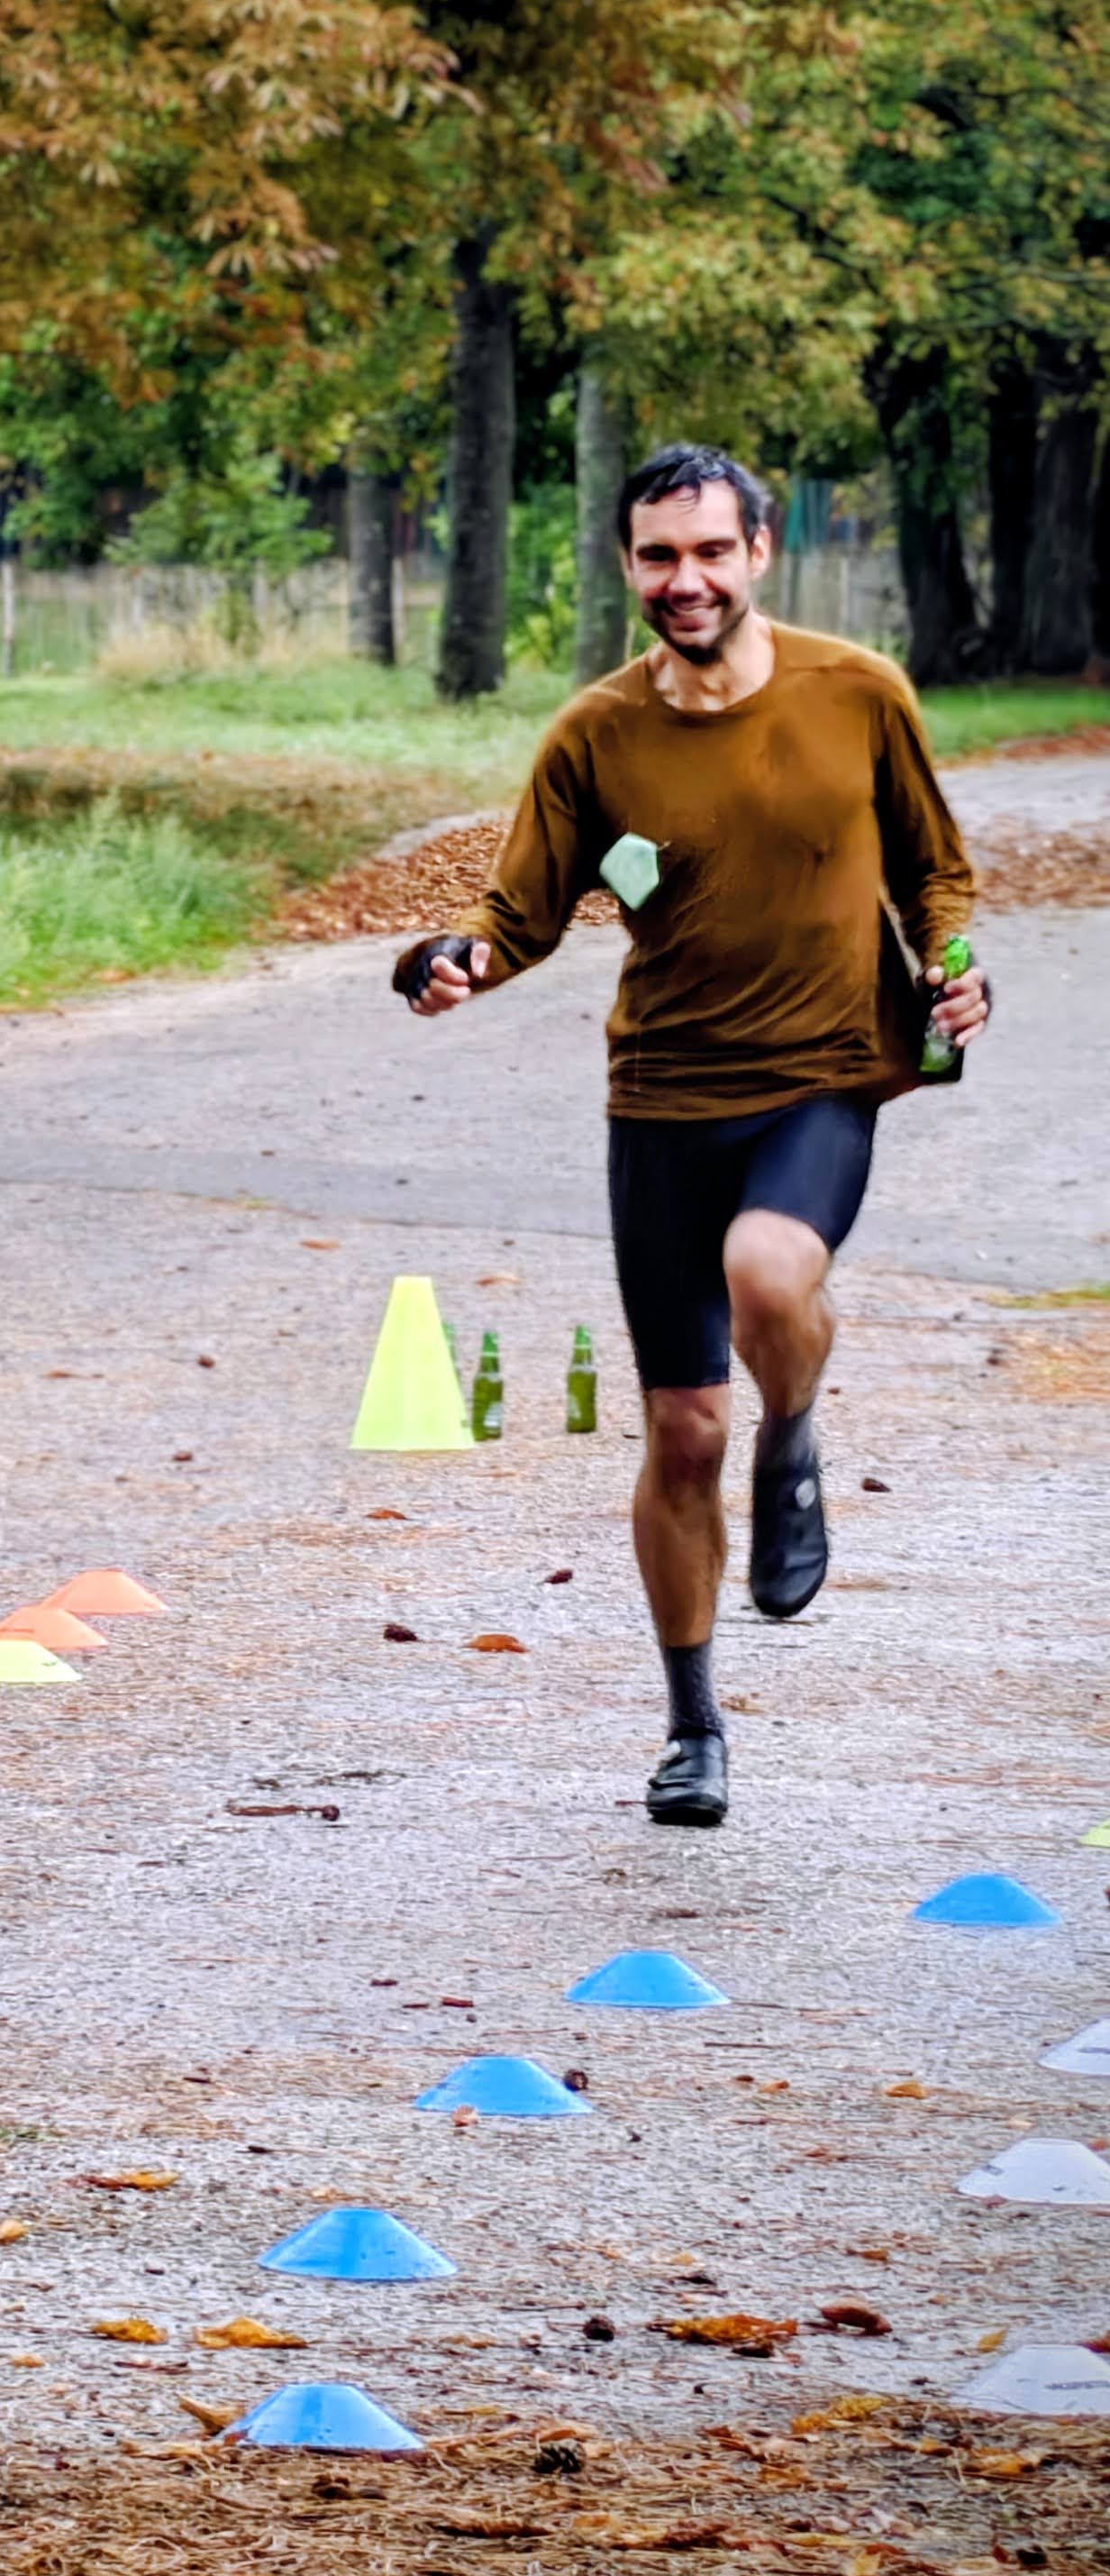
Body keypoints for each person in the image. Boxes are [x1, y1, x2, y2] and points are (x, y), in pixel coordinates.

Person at [391, 442, 984, 1831]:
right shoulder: (595, 735)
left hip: (823, 1074)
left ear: (759, 552)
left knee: (771, 1272)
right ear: (628, 564)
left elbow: (934, 869)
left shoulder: (859, 693)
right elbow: (520, 911)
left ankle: (798, 1434)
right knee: (680, 1431)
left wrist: (955, 968)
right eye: (659, 556)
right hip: (662, 1100)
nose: (687, 579)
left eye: (712, 551)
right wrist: (455, 959)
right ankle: (694, 1726)